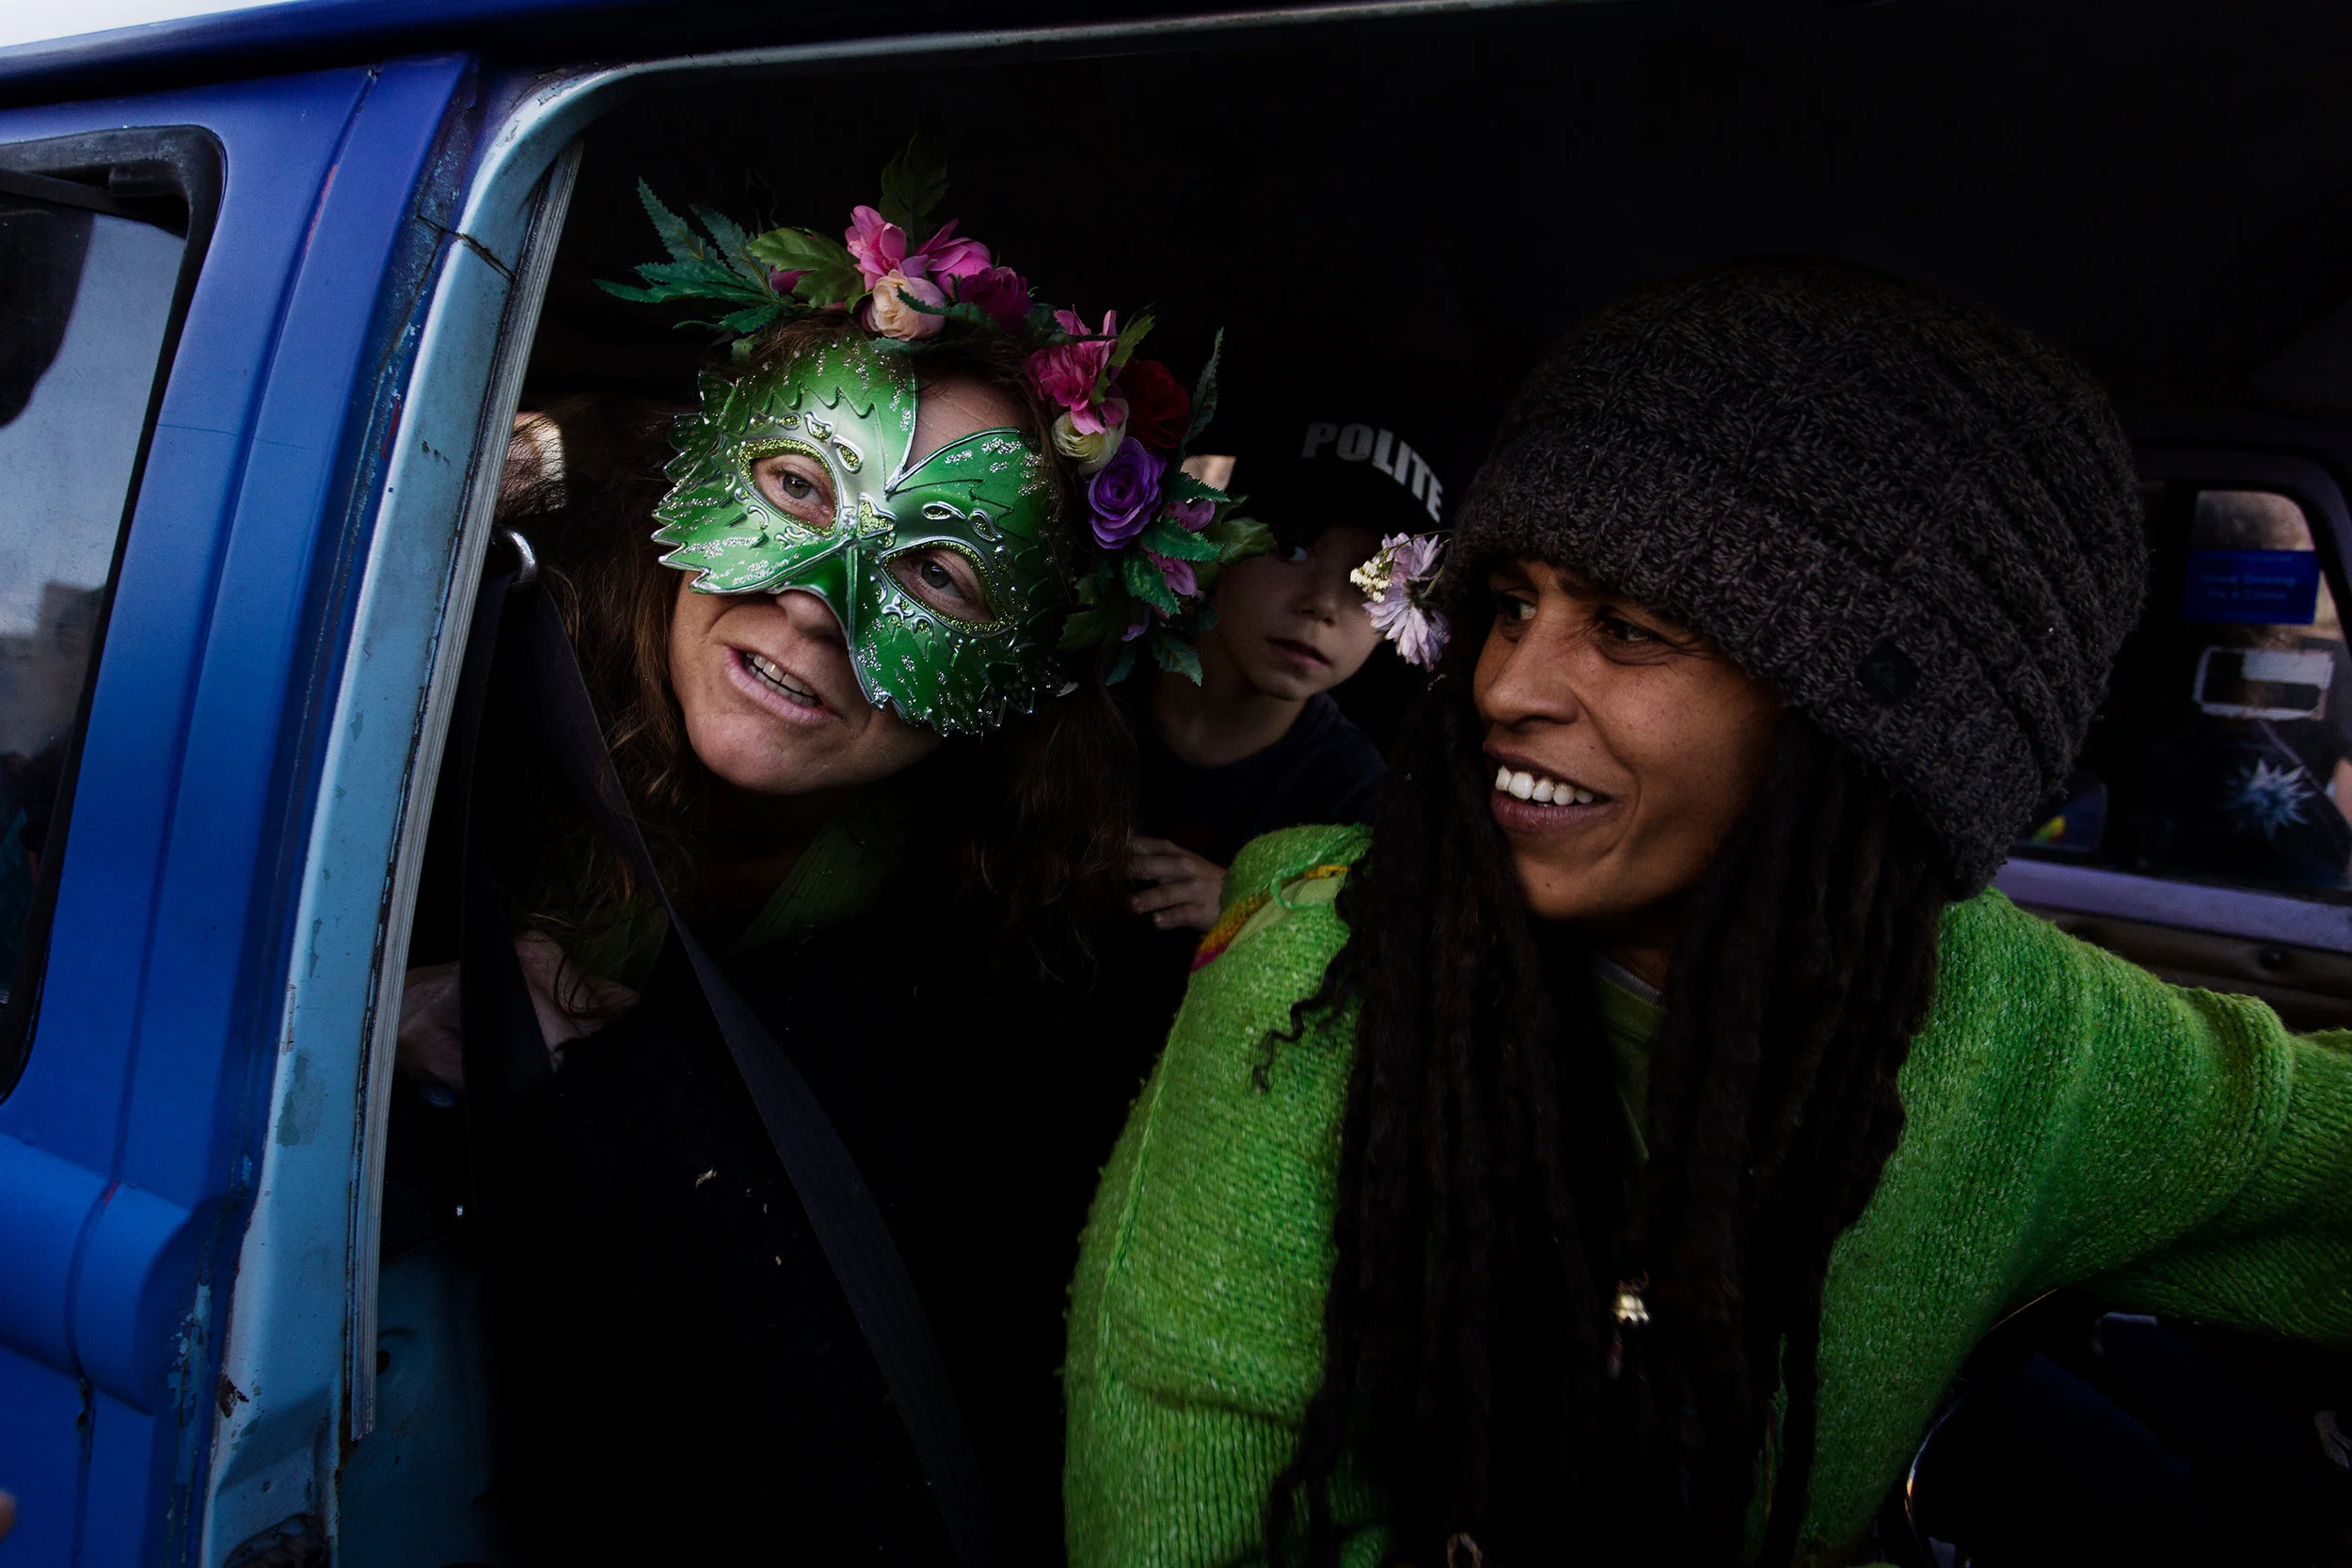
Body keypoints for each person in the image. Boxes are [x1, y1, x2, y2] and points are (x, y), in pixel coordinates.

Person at [1062, 260, 2352, 1568]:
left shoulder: (2024, 1026)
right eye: (1513, 605)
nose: (1509, 682)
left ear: (1867, 730)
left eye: (1626, 628)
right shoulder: (1318, 973)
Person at [388, 153, 1265, 1562]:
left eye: (937, 572)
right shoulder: (428, 740)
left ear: (1025, 679)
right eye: (798, 486)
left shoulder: (995, 974)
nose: (813, 600)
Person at [1128, 419, 1444, 932]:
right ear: (1214, 533)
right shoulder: (1092, 691)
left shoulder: (1354, 795)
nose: (1321, 605)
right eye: (1292, 549)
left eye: (1372, 581)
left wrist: (1256, 909)